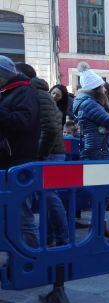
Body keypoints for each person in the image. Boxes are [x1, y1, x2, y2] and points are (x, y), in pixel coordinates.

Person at [15, 63, 69, 247]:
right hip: (47, 153)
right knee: (47, 198)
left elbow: (51, 129)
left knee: (49, 197)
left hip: (50, 154)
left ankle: (62, 240)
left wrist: (40, 154)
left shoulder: (38, 94)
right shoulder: (34, 93)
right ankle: (51, 239)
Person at [0, 55, 40, 248]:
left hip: (19, 159)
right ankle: (17, 257)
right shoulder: (8, 91)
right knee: (12, 213)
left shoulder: (23, 91)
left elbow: (24, 122)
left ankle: (31, 258)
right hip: (9, 159)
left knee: (23, 215)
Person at [73, 63, 109, 161]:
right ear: (96, 89)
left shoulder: (88, 102)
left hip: (98, 150)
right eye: (102, 86)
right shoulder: (89, 104)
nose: (104, 90)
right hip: (99, 152)